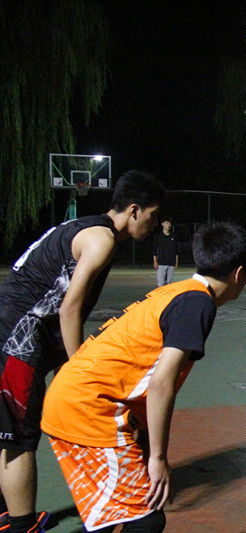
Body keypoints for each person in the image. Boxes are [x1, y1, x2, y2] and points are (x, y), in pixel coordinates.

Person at [41, 222, 246, 532]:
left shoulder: (179, 291)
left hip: (71, 401)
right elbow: (160, 384)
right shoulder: (198, 303)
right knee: (145, 520)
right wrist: (158, 458)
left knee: (113, 517)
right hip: (88, 411)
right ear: (239, 274)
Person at [0, 170, 164, 533]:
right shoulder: (101, 239)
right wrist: (78, 370)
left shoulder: (84, 226)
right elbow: (69, 309)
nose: (154, 225)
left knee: (8, 430)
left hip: (14, 334)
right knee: (18, 438)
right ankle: (20, 526)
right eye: (152, 216)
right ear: (134, 210)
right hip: (15, 342)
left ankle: (6, 513)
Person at [152, 216, 179, 286]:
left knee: (168, 283)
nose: (168, 225)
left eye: (169, 223)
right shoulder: (158, 236)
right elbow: (154, 249)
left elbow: (176, 251)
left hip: (171, 263)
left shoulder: (174, 236)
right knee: (161, 283)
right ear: (163, 224)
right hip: (161, 263)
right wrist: (155, 262)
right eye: (167, 223)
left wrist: (176, 262)